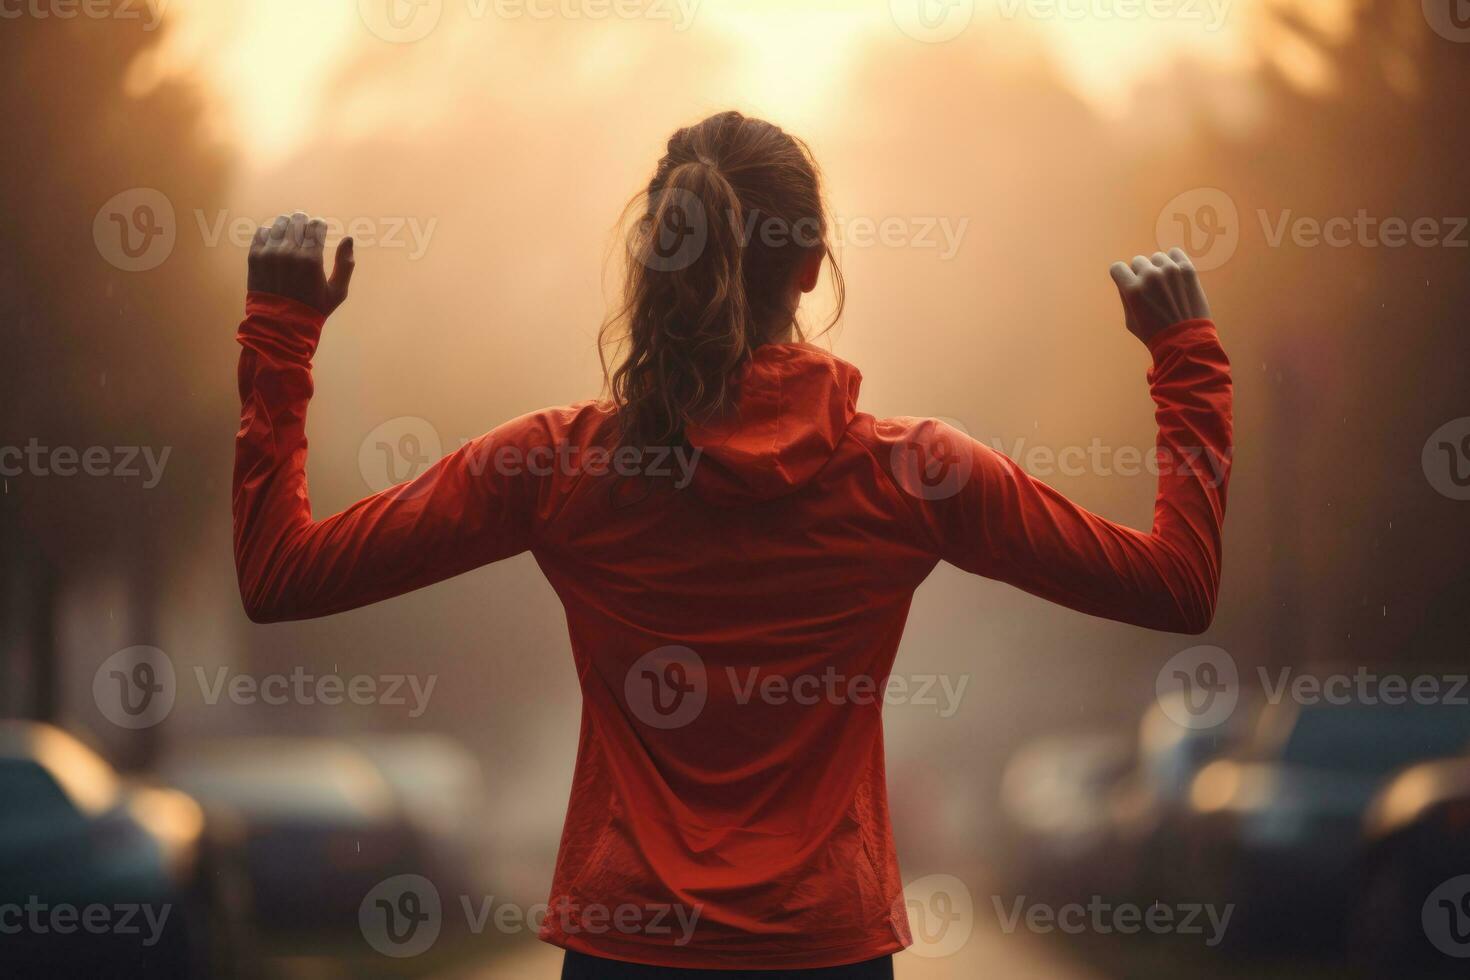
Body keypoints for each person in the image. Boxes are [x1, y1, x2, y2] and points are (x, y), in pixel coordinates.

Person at [233, 110, 1231, 978]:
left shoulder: (557, 463)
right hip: (824, 952)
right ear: (811, 263)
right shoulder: (917, 473)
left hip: (627, 948)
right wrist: (1184, 358)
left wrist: (282, 330)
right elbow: (1175, 585)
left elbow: (281, 573)